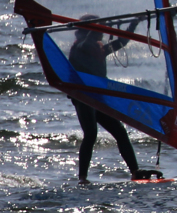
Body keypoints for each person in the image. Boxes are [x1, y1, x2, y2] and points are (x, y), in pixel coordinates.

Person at [68, 15, 161, 183]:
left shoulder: (99, 49)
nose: (102, 35)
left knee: (120, 132)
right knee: (91, 134)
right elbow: (87, 42)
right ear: (88, 31)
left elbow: (122, 42)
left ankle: (135, 171)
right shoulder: (80, 48)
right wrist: (99, 26)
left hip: (99, 97)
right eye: (99, 31)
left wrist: (134, 23)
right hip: (84, 96)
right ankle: (82, 178)